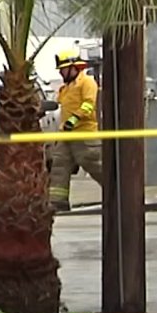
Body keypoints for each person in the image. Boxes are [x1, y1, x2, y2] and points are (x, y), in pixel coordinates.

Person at [48, 47, 105, 212]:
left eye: (63, 69)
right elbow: (60, 105)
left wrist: (74, 119)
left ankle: (116, 193)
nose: (61, 73)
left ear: (74, 67)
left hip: (84, 135)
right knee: (59, 167)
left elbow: (88, 104)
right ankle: (58, 202)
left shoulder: (86, 82)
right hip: (66, 136)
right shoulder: (65, 88)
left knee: (95, 166)